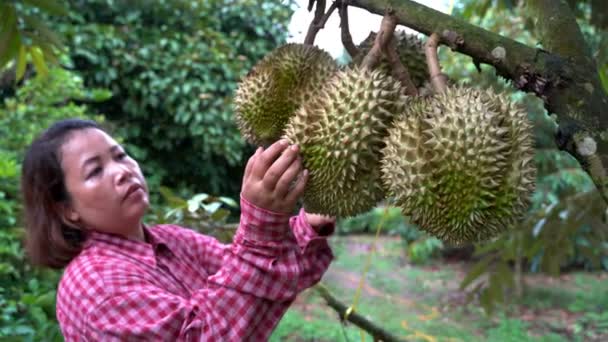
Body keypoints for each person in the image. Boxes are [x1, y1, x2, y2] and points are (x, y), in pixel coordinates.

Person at [20, 118, 335, 341]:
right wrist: (261, 220)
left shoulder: (170, 240)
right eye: (95, 171)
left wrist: (307, 226)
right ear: (68, 210)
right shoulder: (94, 286)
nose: (121, 171)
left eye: (120, 156)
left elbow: (256, 274)